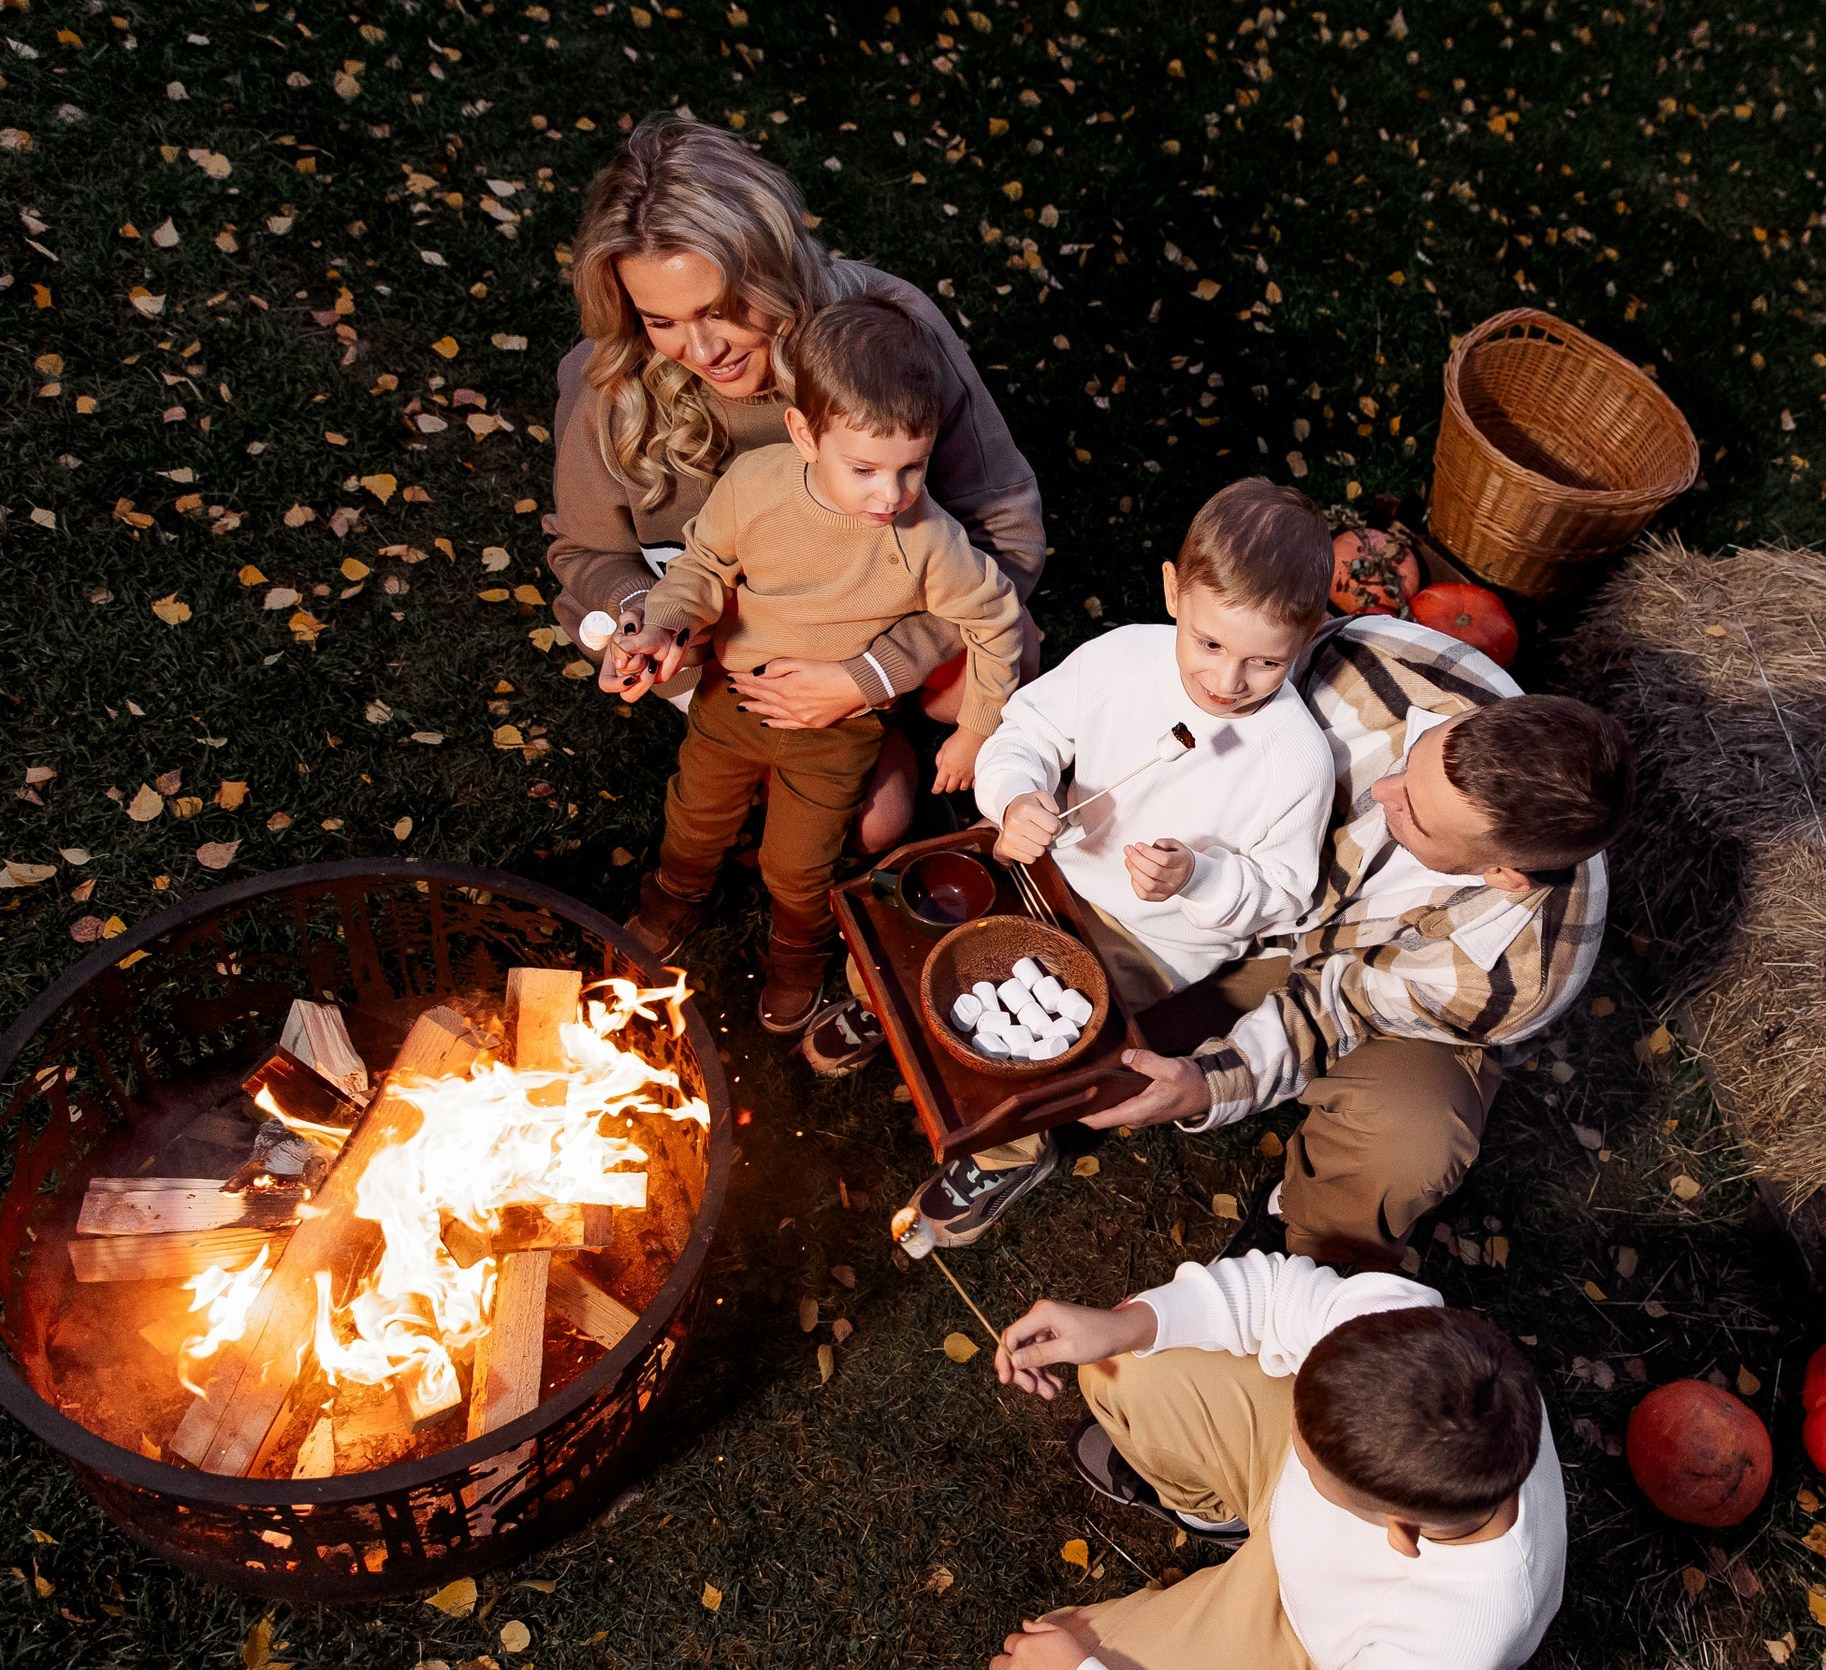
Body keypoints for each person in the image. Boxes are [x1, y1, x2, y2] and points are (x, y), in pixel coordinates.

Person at [922, 614, 1629, 1270]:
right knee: (1066, 998)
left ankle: (1308, 1256)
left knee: (1413, 1132)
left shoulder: (1516, 972)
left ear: (1501, 873)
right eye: (1413, 759)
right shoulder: (1377, 662)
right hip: (1232, 881)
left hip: (1369, 984)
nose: (1382, 791)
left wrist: (1206, 1084)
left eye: (1414, 813)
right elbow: (1218, 689)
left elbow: (1334, 1008)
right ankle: (1012, 1131)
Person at [548, 112, 1044, 869]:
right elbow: (586, 549)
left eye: (722, 308)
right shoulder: (609, 382)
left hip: (890, 612)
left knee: (989, 676)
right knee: (844, 821)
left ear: (771, 264)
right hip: (731, 641)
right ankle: (838, 740)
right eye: (663, 321)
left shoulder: (884, 338)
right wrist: (639, 618)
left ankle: (893, 721)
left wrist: (870, 673)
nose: (704, 350)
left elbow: (1005, 536)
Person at [896, 482, 1339, 1247]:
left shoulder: (1295, 758)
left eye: (1266, 662)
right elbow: (1027, 729)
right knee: (932, 932)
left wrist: (1199, 877)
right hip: (1056, 872)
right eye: (1209, 644)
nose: (1227, 683)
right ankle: (898, 1010)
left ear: (1309, 634)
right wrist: (1016, 795)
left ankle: (1009, 1147)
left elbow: (1284, 895)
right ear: (1174, 590)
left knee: (1041, 1037)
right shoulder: (1121, 659)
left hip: (1154, 941)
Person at [617, 296, 1025, 1031]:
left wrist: (975, 727)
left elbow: (996, 621)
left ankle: (798, 948)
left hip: (836, 732)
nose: (891, 494)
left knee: (797, 865)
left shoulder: (928, 537)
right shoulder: (755, 485)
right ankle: (672, 898)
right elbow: (703, 566)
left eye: (913, 467)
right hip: (732, 697)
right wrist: (664, 620)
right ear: (805, 432)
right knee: (694, 816)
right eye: (865, 467)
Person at [982, 1251, 1566, 1670]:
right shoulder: (1423, 1343)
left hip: (1310, 1641)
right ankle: (1219, 1515)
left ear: (1400, 1532)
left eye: (1312, 1470)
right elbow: (1275, 1295)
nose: (1288, 1425)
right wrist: (1126, 1324)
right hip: (1321, 1540)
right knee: (1126, 1363)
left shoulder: (1455, 1638)